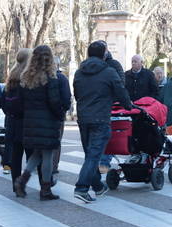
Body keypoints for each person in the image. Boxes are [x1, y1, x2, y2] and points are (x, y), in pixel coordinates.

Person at [73, 41, 132, 203]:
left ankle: (98, 187)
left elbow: (77, 94)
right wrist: (128, 105)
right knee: (93, 156)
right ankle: (81, 188)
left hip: (83, 118)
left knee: (90, 155)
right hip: (101, 118)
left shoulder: (79, 72)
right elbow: (121, 91)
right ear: (104, 54)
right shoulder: (109, 72)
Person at [14, 45, 62, 201]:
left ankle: (22, 181)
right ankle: (45, 189)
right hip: (47, 121)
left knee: (37, 153)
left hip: (30, 122)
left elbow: (20, 103)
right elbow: (54, 102)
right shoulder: (50, 78)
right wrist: (60, 115)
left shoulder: (26, 77)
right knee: (47, 155)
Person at [2, 48, 34, 189]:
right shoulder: (29, 76)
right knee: (33, 155)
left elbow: (3, 102)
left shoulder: (11, 77)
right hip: (27, 122)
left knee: (16, 155)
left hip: (12, 122)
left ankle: (16, 184)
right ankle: (45, 184)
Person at [97, 40, 125, 174]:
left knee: (107, 135)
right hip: (98, 107)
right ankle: (100, 163)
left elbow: (120, 85)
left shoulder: (114, 65)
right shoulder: (91, 66)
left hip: (111, 106)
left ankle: (103, 162)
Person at [51, 56, 71, 174]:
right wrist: (63, 110)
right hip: (58, 115)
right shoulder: (62, 78)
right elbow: (66, 98)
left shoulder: (42, 77)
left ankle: (47, 165)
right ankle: (53, 166)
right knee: (56, 141)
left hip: (48, 115)